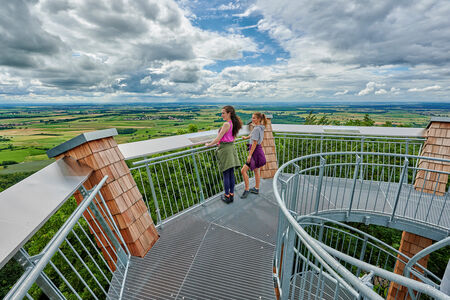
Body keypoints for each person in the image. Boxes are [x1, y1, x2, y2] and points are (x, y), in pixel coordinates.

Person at [205, 106, 242, 204]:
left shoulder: (226, 124)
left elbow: (218, 138)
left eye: (223, 113)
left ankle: (227, 196)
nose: (221, 115)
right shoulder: (233, 123)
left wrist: (209, 144)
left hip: (225, 150)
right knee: (231, 173)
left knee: (226, 174)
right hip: (231, 149)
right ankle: (231, 195)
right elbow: (230, 137)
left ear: (229, 113)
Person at [240, 112, 267, 198]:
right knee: (256, 171)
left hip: (255, 152)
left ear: (259, 119)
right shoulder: (261, 127)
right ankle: (256, 188)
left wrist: (249, 155)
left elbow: (254, 142)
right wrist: (246, 138)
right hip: (259, 151)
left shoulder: (256, 129)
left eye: (254, 118)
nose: (252, 119)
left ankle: (247, 189)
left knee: (243, 171)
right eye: (252, 118)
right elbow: (253, 135)